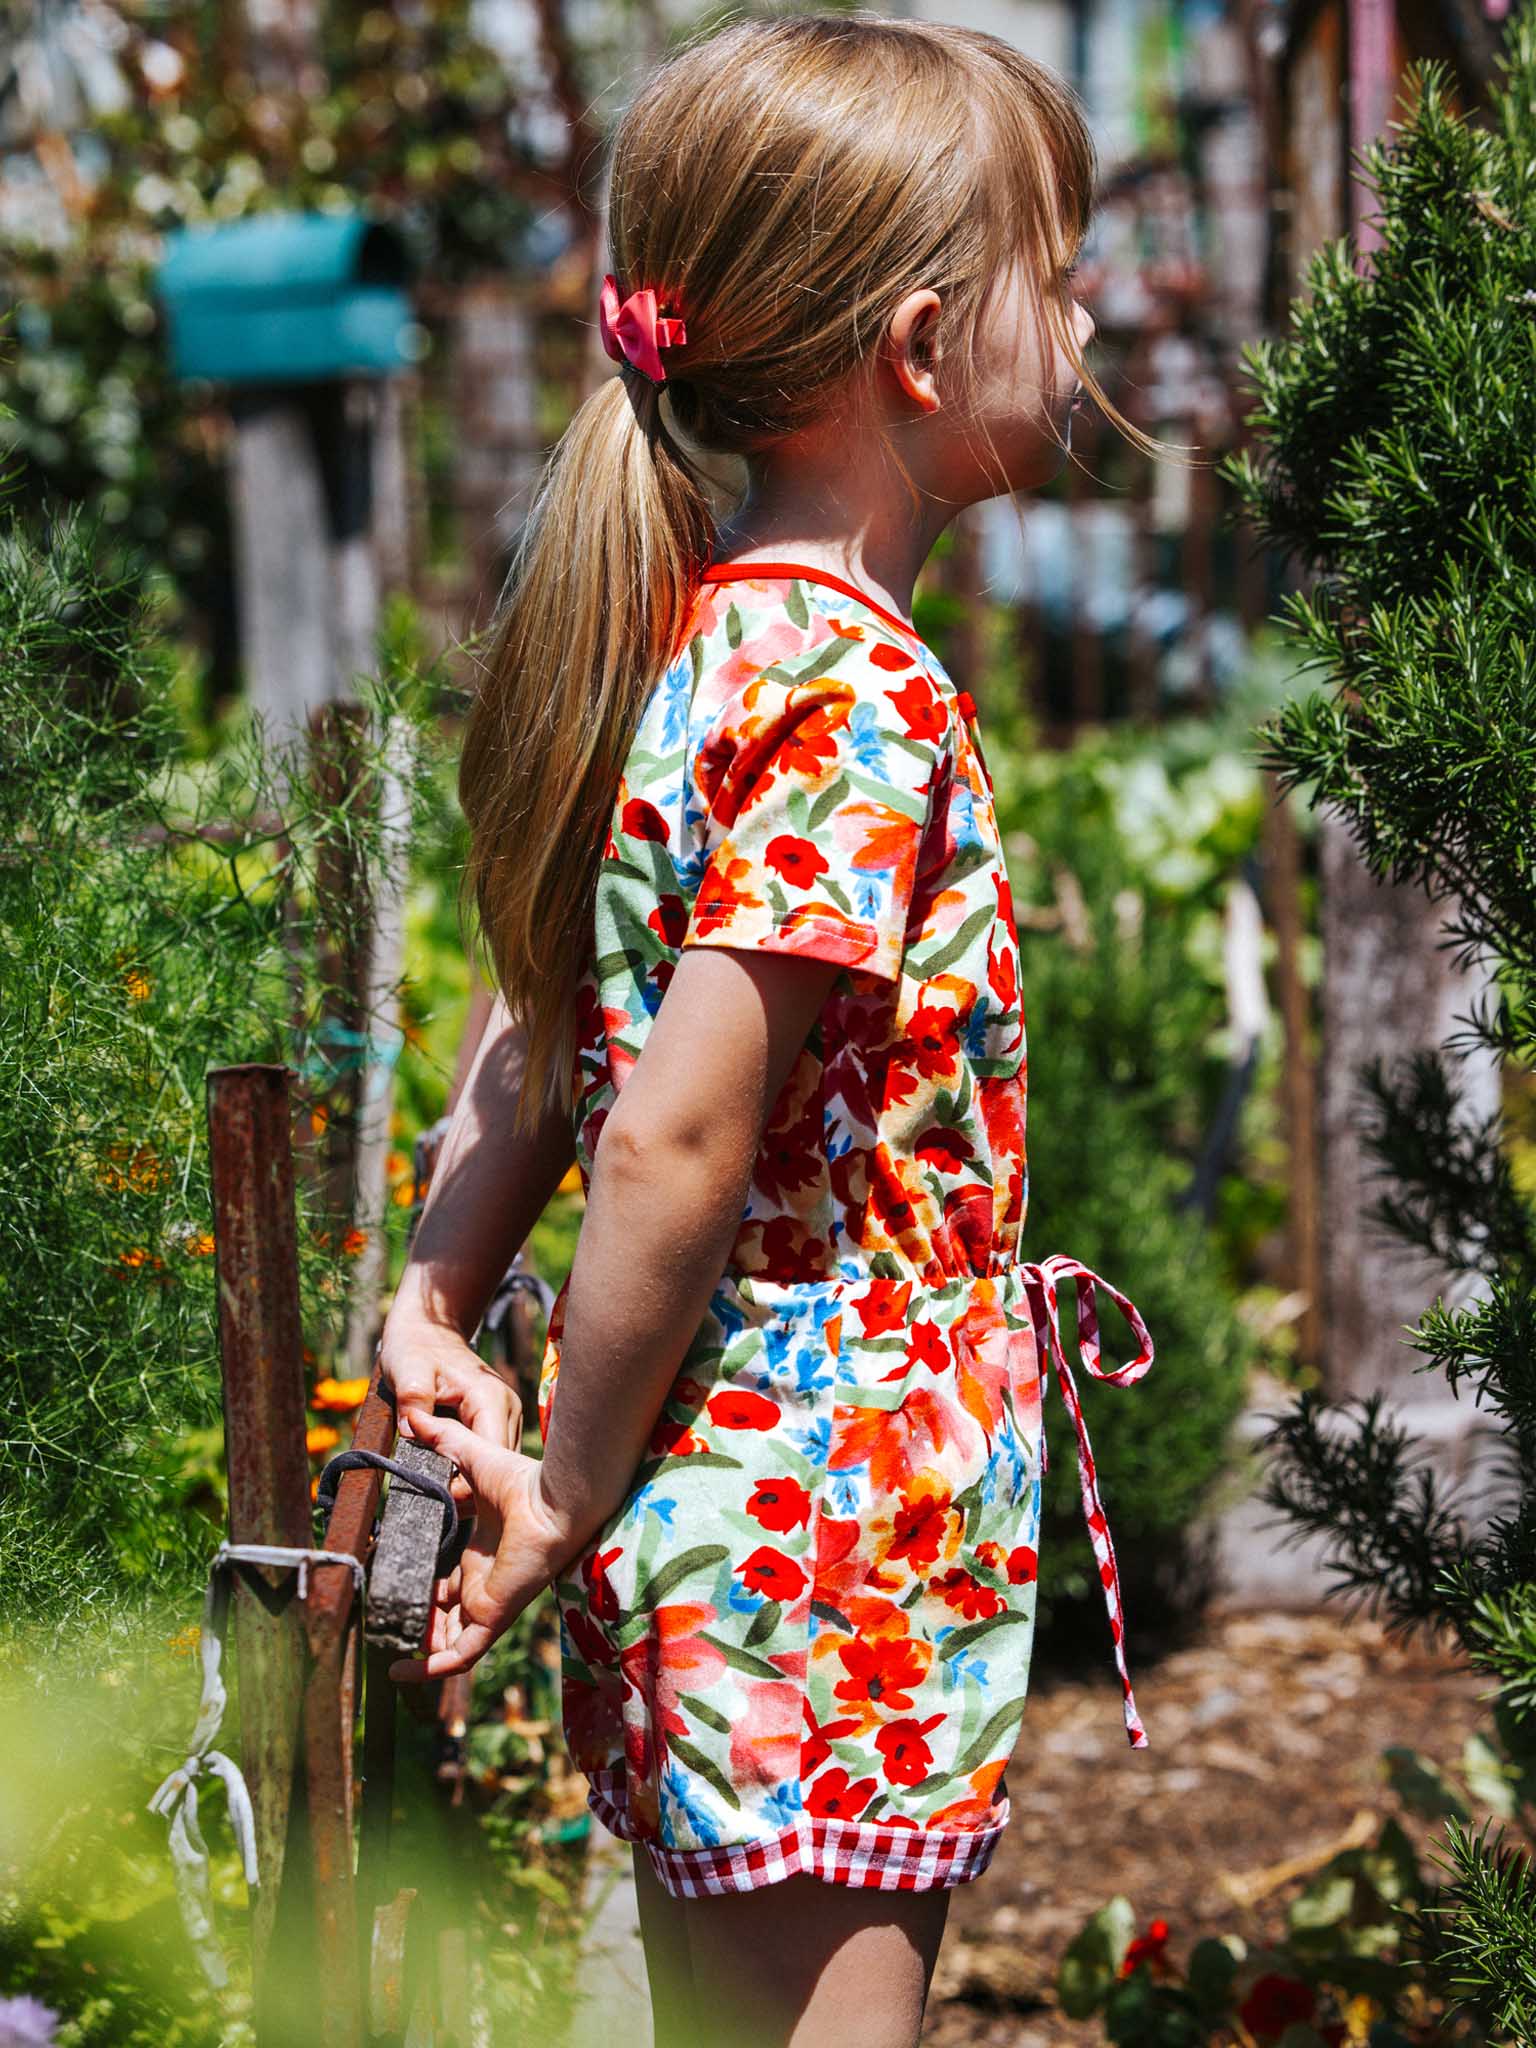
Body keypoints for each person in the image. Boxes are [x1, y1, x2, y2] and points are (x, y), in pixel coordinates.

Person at [379, 15, 1173, 2045]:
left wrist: (437, 1285)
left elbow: (551, 1017)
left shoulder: (697, 633)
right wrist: (550, 1488)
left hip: (719, 1490)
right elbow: (668, 1132)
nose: (1087, 314)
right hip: (826, 1517)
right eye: (1056, 272)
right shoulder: (854, 696)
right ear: (919, 349)